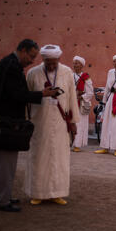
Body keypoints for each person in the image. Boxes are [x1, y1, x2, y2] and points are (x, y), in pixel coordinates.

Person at [0, 39, 59, 212]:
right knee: (4, 164)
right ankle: (1, 201)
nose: (32, 61)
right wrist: (42, 93)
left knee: (7, 163)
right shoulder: (11, 66)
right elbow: (17, 94)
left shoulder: (10, 64)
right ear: (23, 50)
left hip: (8, 122)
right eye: (31, 56)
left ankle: (3, 195)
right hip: (6, 123)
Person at [25, 44, 80, 206]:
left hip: (61, 123)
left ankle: (57, 193)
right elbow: (26, 100)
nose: (51, 65)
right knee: (39, 158)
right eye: (48, 62)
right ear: (42, 59)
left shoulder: (67, 72)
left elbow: (71, 98)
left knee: (59, 158)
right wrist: (25, 121)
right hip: (39, 123)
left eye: (54, 62)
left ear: (59, 59)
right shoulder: (33, 73)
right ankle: (38, 193)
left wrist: (74, 122)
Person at [72, 56, 94, 152]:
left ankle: (77, 145)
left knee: (79, 124)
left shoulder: (86, 77)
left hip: (80, 103)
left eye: (77, 63)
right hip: (71, 102)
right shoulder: (70, 75)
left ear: (81, 65)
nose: (75, 65)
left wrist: (80, 97)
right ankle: (69, 143)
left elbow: (90, 92)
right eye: (74, 63)